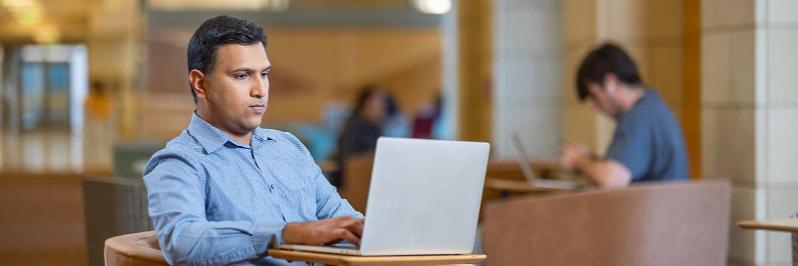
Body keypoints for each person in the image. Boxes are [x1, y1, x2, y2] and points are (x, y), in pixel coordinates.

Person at [143, 16, 363, 265]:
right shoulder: (178, 162)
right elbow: (183, 242)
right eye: (242, 75)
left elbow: (340, 218)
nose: (260, 90)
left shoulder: (289, 147)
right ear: (200, 84)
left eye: (264, 74)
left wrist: (373, 232)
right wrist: (287, 234)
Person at [560, 43, 689, 188]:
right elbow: (624, 167)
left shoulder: (638, 117)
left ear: (610, 83)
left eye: (594, 95)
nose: (595, 107)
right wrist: (591, 159)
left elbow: (612, 179)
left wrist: (578, 161)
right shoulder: (652, 108)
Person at [330, 86, 388, 187]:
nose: (382, 111)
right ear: (365, 105)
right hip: (349, 183)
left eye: (383, 107)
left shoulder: (376, 127)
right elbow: (348, 159)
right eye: (378, 106)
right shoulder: (353, 126)